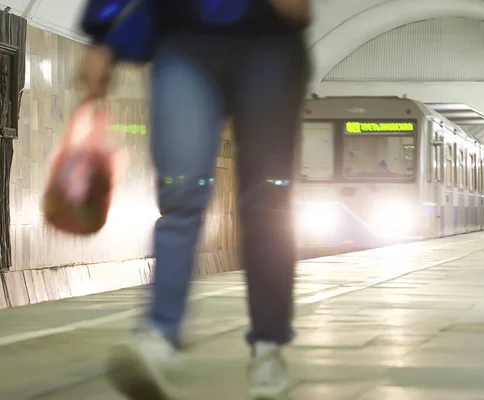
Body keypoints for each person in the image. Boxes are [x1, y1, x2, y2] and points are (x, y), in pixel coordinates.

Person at [77, 1, 311, 399]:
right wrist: (102, 38)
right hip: (182, 40)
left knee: (267, 200)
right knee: (180, 188)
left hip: (270, 45)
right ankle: (160, 336)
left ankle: (268, 345)